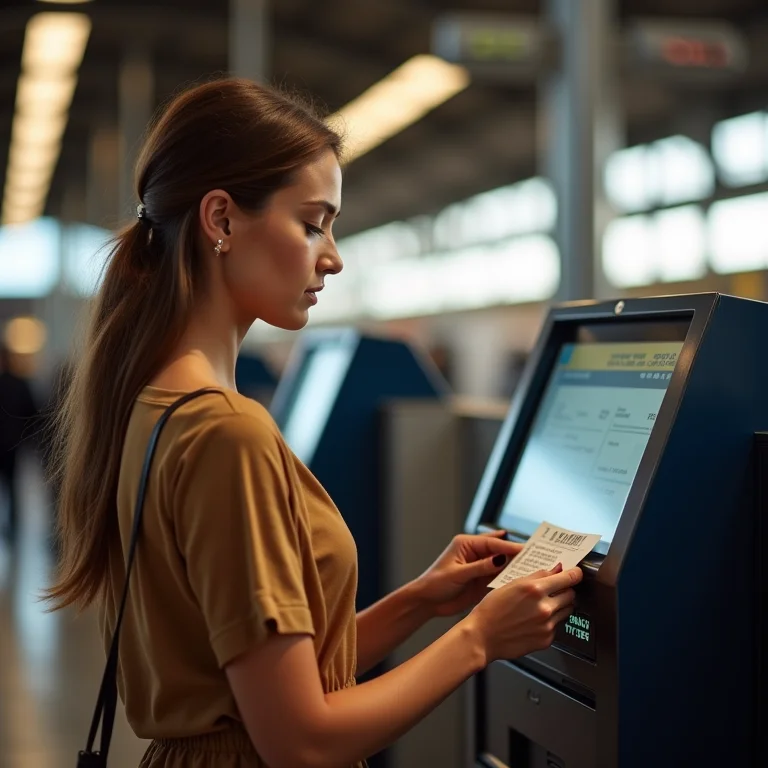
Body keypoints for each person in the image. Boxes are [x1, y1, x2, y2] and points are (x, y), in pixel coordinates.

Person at [46, 78, 581, 768]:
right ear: (222, 220)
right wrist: (479, 639)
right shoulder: (227, 434)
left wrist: (420, 602)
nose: (332, 255)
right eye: (312, 222)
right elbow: (301, 739)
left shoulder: (156, 403)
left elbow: (263, 678)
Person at [0, 343, 37, 542]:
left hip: (6, 443)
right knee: (12, 486)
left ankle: (10, 526)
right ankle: (13, 526)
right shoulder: (20, 383)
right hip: (14, 443)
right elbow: (32, 412)